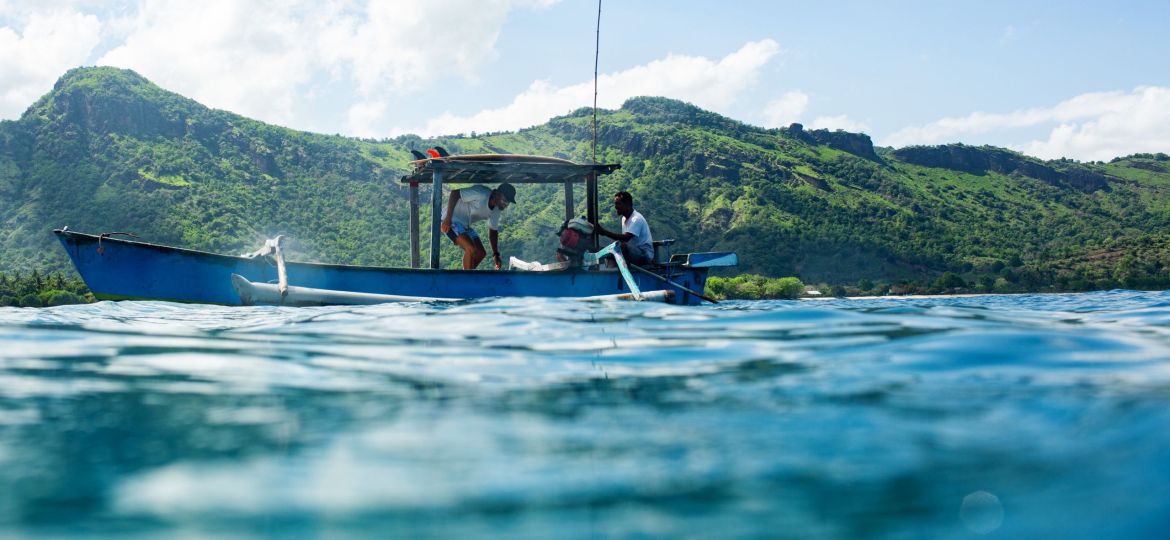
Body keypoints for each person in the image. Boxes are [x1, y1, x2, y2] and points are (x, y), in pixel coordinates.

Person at [440, 183, 516, 269]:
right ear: (496, 194)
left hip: (465, 225)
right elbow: (454, 193)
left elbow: (493, 231)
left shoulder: (496, 209)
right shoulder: (481, 193)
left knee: (481, 253)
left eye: (508, 202)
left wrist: (496, 254)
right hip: (451, 220)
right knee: (470, 249)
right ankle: (467, 280)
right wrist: (448, 218)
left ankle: (465, 276)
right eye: (505, 200)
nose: (506, 205)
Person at [592, 191, 654, 266]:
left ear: (627, 204)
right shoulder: (624, 219)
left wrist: (604, 232)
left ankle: (622, 267)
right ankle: (612, 272)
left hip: (644, 255)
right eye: (615, 204)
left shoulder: (636, 219)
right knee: (612, 249)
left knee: (621, 246)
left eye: (618, 204)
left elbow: (625, 238)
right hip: (633, 252)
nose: (615, 207)